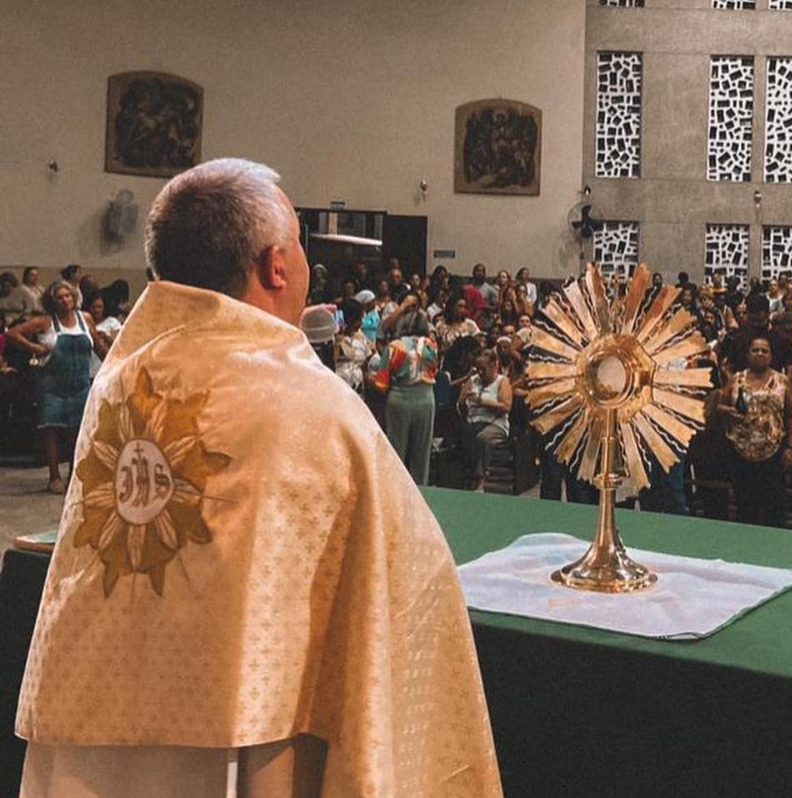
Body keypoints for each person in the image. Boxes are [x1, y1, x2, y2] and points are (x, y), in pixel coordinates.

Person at [15, 158, 500, 798]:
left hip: (91, 724)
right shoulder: (306, 402)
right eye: (299, 245)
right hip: (241, 735)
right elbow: (410, 575)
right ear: (276, 266)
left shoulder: (119, 381)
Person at [7, 279, 108, 493]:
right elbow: (12, 333)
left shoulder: (85, 319)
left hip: (80, 383)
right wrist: (34, 346)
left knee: (78, 430)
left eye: (67, 295)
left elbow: (98, 347)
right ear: (52, 301)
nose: (65, 300)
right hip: (52, 384)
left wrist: (113, 364)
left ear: (74, 297)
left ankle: (74, 473)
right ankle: (54, 475)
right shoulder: (46, 322)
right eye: (59, 297)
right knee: (51, 428)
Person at [715, 334, 792, 528]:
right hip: (741, 452)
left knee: (774, 507)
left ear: (771, 356)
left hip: (774, 452)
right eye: (755, 350)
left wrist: (791, 447)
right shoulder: (736, 379)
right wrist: (726, 411)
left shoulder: (782, 381)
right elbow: (719, 406)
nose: (759, 354)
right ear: (748, 354)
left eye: (764, 351)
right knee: (746, 507)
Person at [370, 301, 438, 485]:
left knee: (397, 451)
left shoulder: (395, 347)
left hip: (400, 401)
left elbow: (381, 385)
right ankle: (421, 490)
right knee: (421, 454)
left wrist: (368, 378)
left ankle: (394, 489)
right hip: (426, 400)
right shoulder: (431, 346)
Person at [458, 349, 512, 491]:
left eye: (484, 369)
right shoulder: (473, 380)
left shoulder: (502, 381)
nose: (480, 372)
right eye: (478, 369)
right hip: (473, 421)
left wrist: (482, 402)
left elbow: (506, 406)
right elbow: (460, 404)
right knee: (463, 435)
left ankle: (480, 479)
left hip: (495, 423)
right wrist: (463, 399)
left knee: (482, 439)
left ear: (493, 366)